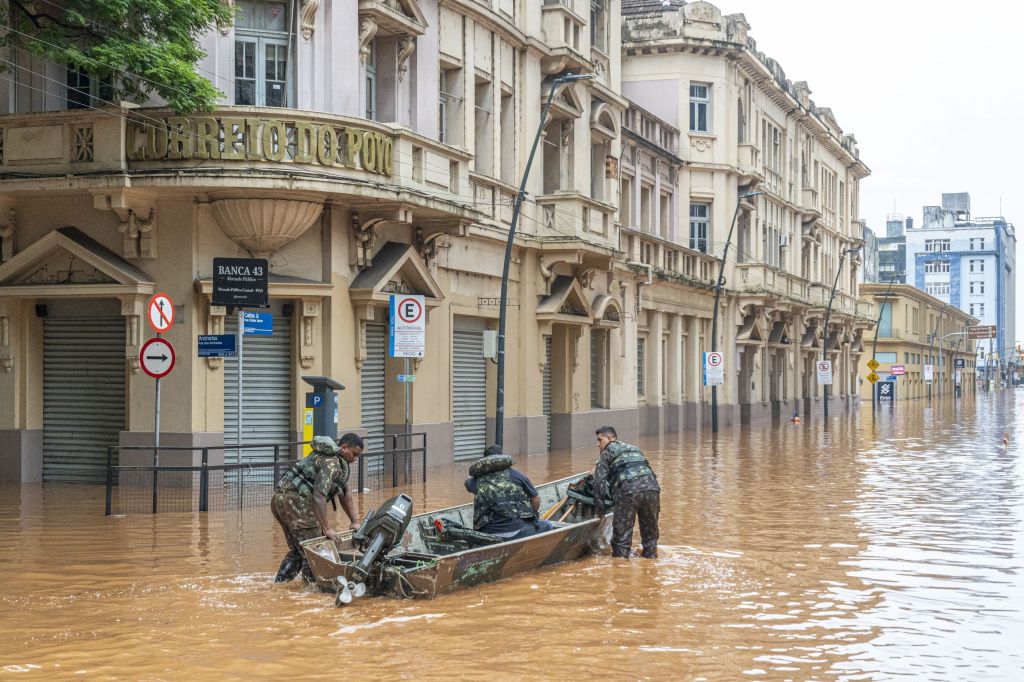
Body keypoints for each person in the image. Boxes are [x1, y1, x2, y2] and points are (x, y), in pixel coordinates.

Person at [271, 433, 364, 583]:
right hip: (297, 503)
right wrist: (326, 528)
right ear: (344, 447)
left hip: (279, 500)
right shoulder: (332, 463)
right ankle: (313, 592)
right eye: (354, 454)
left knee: (298, 550)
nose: (354, 459)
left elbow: (344, 493)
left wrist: (354, 521)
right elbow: (319, 496)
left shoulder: (331, 459)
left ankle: (279, 586)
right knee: (315, 550)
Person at [591, 426, 660, 559]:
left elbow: (599, 482)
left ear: (610, 438)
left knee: (621, 540)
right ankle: (650, 565)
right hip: (652, 489)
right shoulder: (634, 449)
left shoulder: (607, 452)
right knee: (650, 536)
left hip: (628, 491)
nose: (598, 444)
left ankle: (620, 573)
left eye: (600, 440)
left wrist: (600, 509)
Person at [464, 445, 554, 540]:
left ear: (484, 460)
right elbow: (535, 498)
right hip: (517, 531)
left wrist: (476, 474)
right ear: (502, 457)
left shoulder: (475, 481)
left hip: (488, 533)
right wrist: (534, 515)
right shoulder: (517, 475)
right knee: (547, 525)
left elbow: (467, 482)